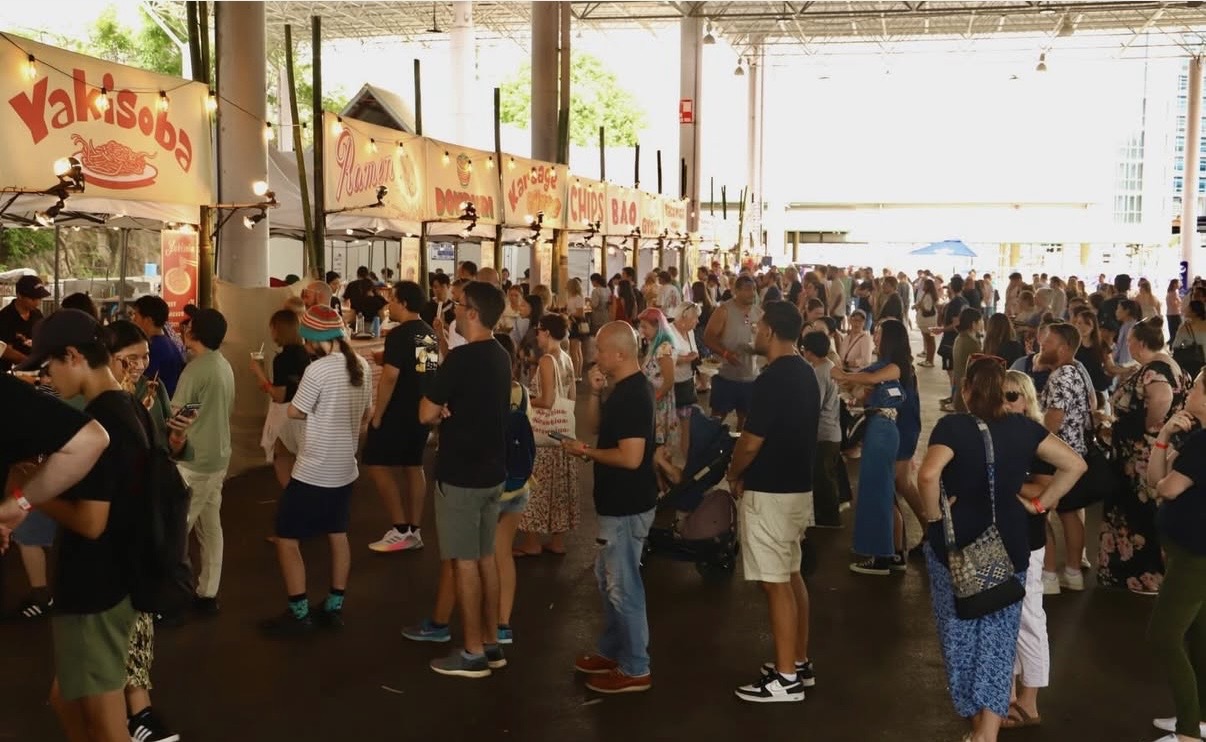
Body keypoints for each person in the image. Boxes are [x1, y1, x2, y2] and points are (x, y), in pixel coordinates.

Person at [917, 357, 1085, 742]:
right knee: (999, 642)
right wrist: (1042, 504)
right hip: (1009, 546)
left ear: (967, 390)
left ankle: (975, 722)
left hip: (958, 548)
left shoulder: (953, 427)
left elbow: (927, 475)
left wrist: (933, 519)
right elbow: (1075, 465)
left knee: (960, 638)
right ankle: (987, 734)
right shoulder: (1025, 428)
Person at [14, 308, 158, 742]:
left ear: (74, 356)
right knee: (68, 701)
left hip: (97, 587)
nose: (47, 377)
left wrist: (31, 495)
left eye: (49, 366)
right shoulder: (130, 407)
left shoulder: (98, 424)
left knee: (106, 724)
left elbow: (92, 522)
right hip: (115, 581)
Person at [102, 320, 195, 742]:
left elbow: (164, 443)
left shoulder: (148, 391)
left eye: (144, 357)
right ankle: (134, 716)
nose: (140, 366)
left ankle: (136, 715)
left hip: (148, 515)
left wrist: (177, 441)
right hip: (120, 522)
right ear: (106, 357)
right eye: (130, 359)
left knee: (136, 624)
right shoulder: (100, 402)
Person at [723, 301, 820, 703]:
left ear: (771, 331)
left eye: (760, 325)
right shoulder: (806, 372)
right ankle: (797, 661)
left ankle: (785, 679)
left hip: (771, 493)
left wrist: (733, 473)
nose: (755, 331)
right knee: (791, 574)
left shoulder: (772, 379)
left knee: (774, 583)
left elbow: (750, 442)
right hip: (797, 489)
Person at [261, 305, 373, 636]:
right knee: (338, 535)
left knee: (286, 538)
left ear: (313, 339)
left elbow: (294, 411)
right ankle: (333, 607)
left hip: (314, 469)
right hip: (345, 468)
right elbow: (366, 414)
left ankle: (299, 613)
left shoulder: (318, 370)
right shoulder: (361, 365)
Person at [420, 281, 512, 678]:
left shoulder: (459, 359)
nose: (453, 309)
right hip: (493, 471)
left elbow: (425, 412)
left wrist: (439, 407)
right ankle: (490, 642)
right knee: (485, 557)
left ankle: (472, 652)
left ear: (472, 313)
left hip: (461, 473)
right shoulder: (501, 354)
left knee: (464, 562)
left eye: (457, 304)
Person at [562, 322, 657, 694]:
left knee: (623, 585)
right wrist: (595, 394)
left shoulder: (634, 395)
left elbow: (631, 458)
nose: (595, 355)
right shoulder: (621, 389)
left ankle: (635, 667)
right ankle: (614, 650)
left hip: (626, 504)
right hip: (617, 503)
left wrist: (586, 452)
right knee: (609, 580)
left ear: (619, 354)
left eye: (600, 349)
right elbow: (597, 427)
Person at [1101, 317, 1189, 594]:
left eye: (1129, 341)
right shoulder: (1168, 364)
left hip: (1141, 454)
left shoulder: (1155, 370)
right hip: (1148, 450)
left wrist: (1149, 426)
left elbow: (1161, 398)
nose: (1128, 346)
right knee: (1145, 510)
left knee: (1138, 511)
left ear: (1139, 343)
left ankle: (1144, 574)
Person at [1146, 374, 1206, 742]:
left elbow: (1165, 486)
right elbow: (1157, 477)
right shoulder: (1195, 438)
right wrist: (1165, 435)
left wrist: (1163, 485)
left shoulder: (1202, 443)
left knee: (1164, 636)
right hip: (1192, 551)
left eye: (1197, 386)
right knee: (1199, 635)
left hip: (1194, 555)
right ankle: (1199, 719)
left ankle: (1187, 733)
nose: (1189, 391)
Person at [834, 319, 913, 575]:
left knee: (876, 492)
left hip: (882, 430)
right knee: (884, 493)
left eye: (879, 333)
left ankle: (880, 555)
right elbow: (862, 384)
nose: (875, 337)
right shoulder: (888, 365)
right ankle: (894, 551)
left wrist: (844, 375)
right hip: (880, 428)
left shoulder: (894, 367)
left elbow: (870, 378)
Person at [171, 308, 236, 616]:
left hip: (193, 460)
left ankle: (168, 599)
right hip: (218, 456)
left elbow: (178, 417)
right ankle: (208, 593)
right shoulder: (223, 365)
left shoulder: (195, 370)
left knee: (174, 531)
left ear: (193, 333)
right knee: (210, 528)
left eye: (188, 326)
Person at [364, 282, 438, 553]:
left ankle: (400, 528)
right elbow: (426, 372)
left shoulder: (398, 334)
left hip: (397, 410)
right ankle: (413, 530)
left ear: (404, 303)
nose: (389, 305)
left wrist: (378, 415)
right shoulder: (427, 332)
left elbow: (390, 378)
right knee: (413, 465)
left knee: (376, 462)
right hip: (420, 409)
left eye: (393, 299)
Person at [1000, 371, 1053, 730]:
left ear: (1027, 400)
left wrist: (1003, 485)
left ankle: (1030, 701)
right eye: (1000, 396)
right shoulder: (996, 434)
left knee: (1029, 617)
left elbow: (1043, 490)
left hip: (1028, 540)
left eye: (1013, 396)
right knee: (1004, 618)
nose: (1006, 403)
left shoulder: (1039, 440)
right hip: (1001, 537)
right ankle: (1007, 696)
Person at [1035, 324, 1094, 594]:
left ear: (1063, 348)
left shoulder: (1060, 377)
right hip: (1074, 453)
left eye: (1047, 343)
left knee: (1041, 511)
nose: (1041, 346)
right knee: (1070, 514)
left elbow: (1053, 422)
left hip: (1054, 457)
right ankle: (1072, 572)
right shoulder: (1076, 371)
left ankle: (1048, 575)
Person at [515, 314, 579, 557]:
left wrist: (524, 401)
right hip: (562, 431)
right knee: (560, 486)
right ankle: (557, 541)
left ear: (547, 332)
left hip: (542, 433)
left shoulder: (546, 360)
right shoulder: (566, 357)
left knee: (537, 487)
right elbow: (571, 396)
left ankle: (531, 542)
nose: (537, 335)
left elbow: (547, 400)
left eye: (539, 331)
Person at [250, 310, 311, 488]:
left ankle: (291, 496)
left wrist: (259, 373)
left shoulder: (282, 359)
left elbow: (279, 395)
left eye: (272, 328)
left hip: (286, 414)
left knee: (282, 457)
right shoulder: (305, 353)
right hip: (304, 411)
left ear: (278, 330)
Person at [801, 331, 842, 528]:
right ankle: (828, 517)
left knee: (823, 479)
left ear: (809, 352)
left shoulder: (818, 372)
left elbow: (813, 405)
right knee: (827, 476)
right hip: (832, 431)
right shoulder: (830, 366)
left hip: (823, 433)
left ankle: (829, 520)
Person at [129, 295, 186, 398]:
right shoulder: (169, 344)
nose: (132, 320)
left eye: (135, 316)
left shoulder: (152, 349)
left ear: (148, 320)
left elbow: (144, 385)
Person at [669, 303, 701, 459]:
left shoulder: (690, 332)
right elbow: (665, 357)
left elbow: (693, 352)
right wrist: (687, 359)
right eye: (695, 318)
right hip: (670, 385)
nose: (697, 321)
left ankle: (687, 460)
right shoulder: (668, 332)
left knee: (686, 426)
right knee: (667, 427)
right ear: (683, 318)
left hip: (686, 383)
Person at [0, 274, 49, 372]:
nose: (37, 302)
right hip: (11, 371)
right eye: (33, 299)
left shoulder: (37, 314)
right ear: (19, 295)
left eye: (39, 298)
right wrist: (28, 362)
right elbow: (5, 350)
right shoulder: (5, 317)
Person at [949, 308, 984, 414]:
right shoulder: (971, 343)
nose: (982, 323)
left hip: (960, 390)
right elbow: (980, 366)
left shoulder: (960, 338)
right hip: (968, 394)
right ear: (973, 324)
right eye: (980, 321)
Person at [915, 278, 940, 367]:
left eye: (924, 284)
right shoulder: (927, 295)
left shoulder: (929, 296)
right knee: (929, 341)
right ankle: (928, 360)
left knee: (930, 341)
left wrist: (920, 306)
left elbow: (927, 309)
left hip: (929, 322)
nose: (922, 286)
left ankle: (930, 360)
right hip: (927, 322)